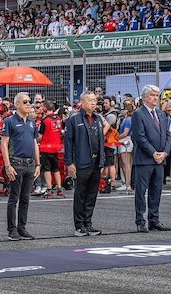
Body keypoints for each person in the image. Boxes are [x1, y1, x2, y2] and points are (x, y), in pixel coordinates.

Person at [64, 91, 105, 237]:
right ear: (82, 102)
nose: (93, 103)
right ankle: (79, 225)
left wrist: (102, 161)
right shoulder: (74, 119)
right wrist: (70, 163)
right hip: (81, 162)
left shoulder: (98, 119)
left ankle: (88, 223)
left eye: (95, 100)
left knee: (92, 194)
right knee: (80, 194)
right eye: (90, 100)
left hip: (96, 162)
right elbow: (68, 142)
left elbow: (101, 141)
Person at [131, 85, 171, 232]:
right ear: (144, 97)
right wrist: (153, 153)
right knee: (141, 191)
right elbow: (139, 137)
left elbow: (167, 135)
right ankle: (140, 221)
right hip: (145, 159)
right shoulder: (138, 114)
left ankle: (154, 219)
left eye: (157, 95)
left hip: (160, 159)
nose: (156, 98)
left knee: (156, 191)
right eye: (152, 95)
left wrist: (165, 152)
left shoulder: (161, 114)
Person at [1, 92, 41, 241]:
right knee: (14, 198)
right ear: (17, 104)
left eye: (29, 101)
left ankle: (22, 228)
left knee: (25, 198)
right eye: (25, 102)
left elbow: (35, 143)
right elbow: (4, 143)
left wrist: (38, 164)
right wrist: (7, 165)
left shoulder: (31, 122)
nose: (29, 104)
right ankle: (12, 230)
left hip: (30, 164)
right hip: (16, 163)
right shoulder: (10, 121)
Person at [38, 100, 64, 197]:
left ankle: (49, 190)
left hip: (46, 148)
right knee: (56, 169)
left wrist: (36, 140)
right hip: (56, 147)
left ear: (45, 108)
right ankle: (59, 189)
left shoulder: (45, 120)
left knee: (47, 169)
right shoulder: (58, 118)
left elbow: (40, 136)